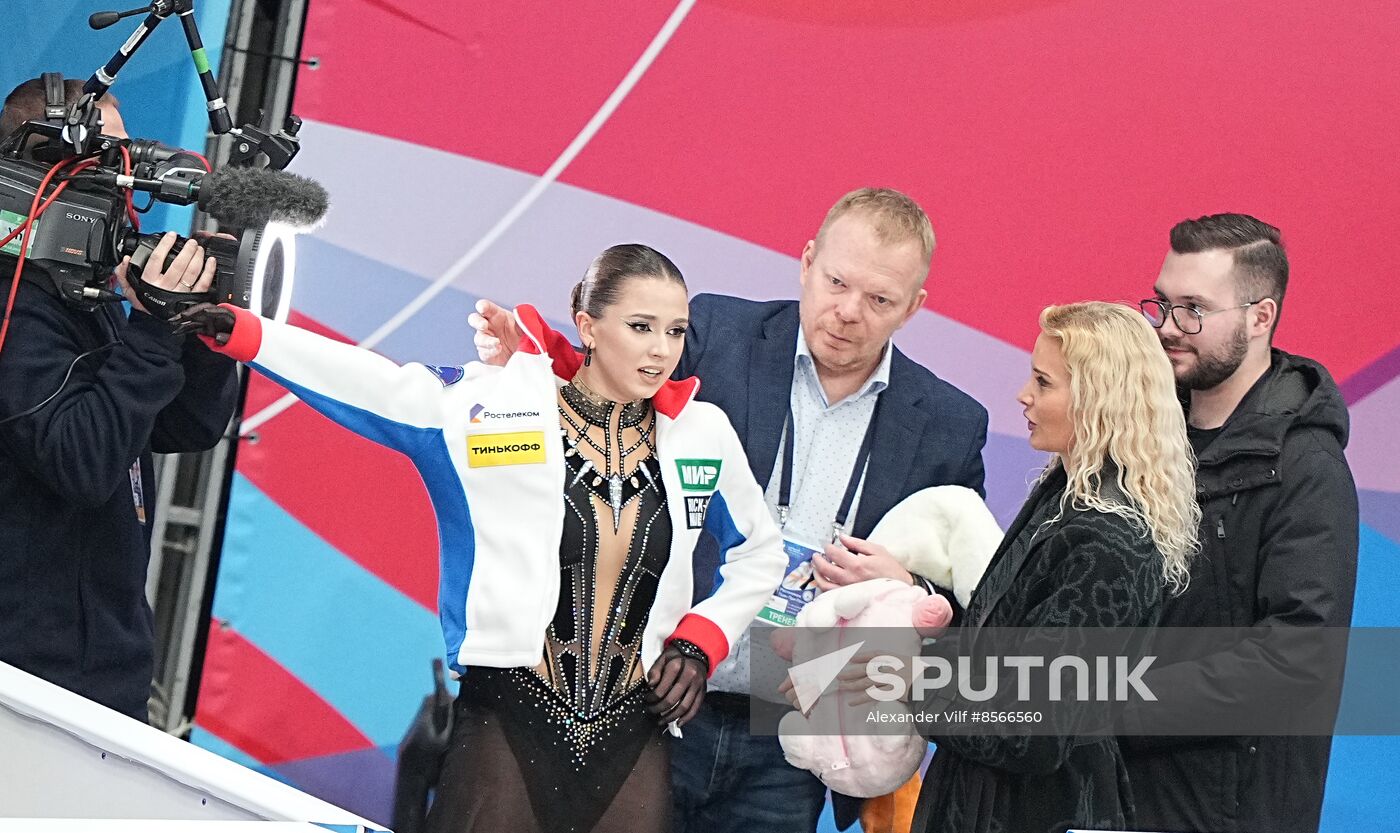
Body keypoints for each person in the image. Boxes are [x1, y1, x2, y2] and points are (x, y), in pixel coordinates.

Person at [172, 244, 788, 833]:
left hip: (638, 735)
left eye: (676, 332)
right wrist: (248, 334)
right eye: (641, 326)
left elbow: (760, 553)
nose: (661, 351)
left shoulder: (703, 433)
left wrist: (701, 642)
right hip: (505, 720)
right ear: (589, 325)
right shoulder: (495, 408)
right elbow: (374, 385)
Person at [472, 187, 988, 833]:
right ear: (805, 262)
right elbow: (612, 387)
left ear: (914, 307)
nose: (848, 311)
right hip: (655, 694)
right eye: (836, 281)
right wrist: (536, 357)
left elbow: (973, 604)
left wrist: (910, 588)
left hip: (790, 734)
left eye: (880, 299)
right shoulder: (718, 334)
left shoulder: (948, 425)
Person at [901, 301, 1200, 833]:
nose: (1024, 395)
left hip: (1037, 811)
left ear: (1098, 400)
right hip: (983, 799)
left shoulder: (1108, 543)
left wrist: (903, 680)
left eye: (1043, 381)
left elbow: (1030, 730)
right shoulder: (1065, 493)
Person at [0, 76, 236, 721]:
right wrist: (153, 329)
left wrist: (198, 324)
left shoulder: (91, 297)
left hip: (107, 675)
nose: (128, 180)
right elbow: (82, 460)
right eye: (111, 160)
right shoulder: (13, 303)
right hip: (25, 683)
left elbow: (188, 425)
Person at [1122, 214, 1359, 833]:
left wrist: (1113, 703)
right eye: (1162, 304)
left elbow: (1294, 662)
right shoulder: (1135, 438)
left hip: (1228, 813)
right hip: (1107, 797)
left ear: (1261, 317)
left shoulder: (1306, 469)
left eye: (1194, 309)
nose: (1168, 328)